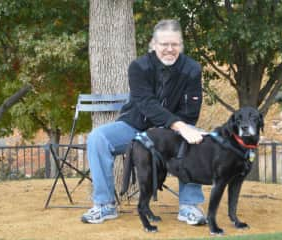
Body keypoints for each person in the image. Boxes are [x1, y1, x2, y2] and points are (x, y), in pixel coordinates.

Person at [81, 19, 206, 225]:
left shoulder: (192, 69)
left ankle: (189, 206)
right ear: (153, 44)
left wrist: (177, 128)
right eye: (164, 44)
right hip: (134, 126)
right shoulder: (138, 67)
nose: (169, 49)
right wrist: (178, 125)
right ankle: (105, 205)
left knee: (196, 137)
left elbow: (191, 112)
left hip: (170, 132)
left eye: (174, 44)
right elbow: (146, 104)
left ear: (181, 45)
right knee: (98, 138)